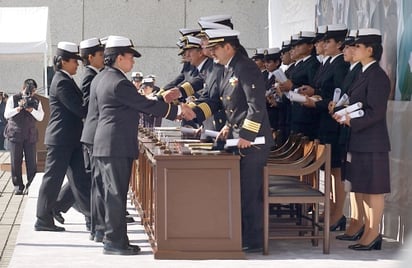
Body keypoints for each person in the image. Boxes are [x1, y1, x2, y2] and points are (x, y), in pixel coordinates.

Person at [92, 35, 188, 255]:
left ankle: (114, 238)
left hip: (106, 143)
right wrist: (176, 112)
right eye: (130, 57)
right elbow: (144, 104)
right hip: (115, 144)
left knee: (112, 194)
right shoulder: (119, 82)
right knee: (116, 194)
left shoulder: (105, 77)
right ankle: (115, 242)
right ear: (118, 58)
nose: (133, 62)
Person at [185, 28, 273, 252]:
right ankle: (241, 234)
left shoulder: (245, 67)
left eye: (214, 48)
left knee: (250, 191)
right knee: (240, 189)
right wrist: (220, 122)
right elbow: (224, 103)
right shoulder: (227, 68)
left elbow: (256, 106)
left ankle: (254, 240)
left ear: (228, 47)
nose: (211, 53)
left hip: (253, 142)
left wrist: (246, 135)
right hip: (237, 137)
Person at [333, 28, 390, 250]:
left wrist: (351, 121)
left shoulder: (377, 75)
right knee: (363, 187)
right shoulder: (363, 73)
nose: (353, 50)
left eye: (357, 46)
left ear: (370, 50)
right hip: (359, 140)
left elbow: (376, 112)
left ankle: (374, 232)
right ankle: (367, 229)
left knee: (374, 189)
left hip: (372, 141)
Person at [35, 41, 91, 232]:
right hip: (61, 139)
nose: (77, 64)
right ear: (63, 62)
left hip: (71, 139)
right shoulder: (61, 81)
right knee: (53, 179)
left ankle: (92, 216)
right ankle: (42, 218)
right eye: (74, 61)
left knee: (81, 178)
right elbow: (80, 108)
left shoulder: (66, 79)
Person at [300, 24, 349, 230]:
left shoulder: (339, 65)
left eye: (327, 41)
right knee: (328, 171)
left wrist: (317, 101)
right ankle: (330, 210)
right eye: (323, 41)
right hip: (321, 122)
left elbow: (338, 96)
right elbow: (323, 89)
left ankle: (338, 214)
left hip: (332, 123)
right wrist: (313, 93)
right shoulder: (326, 63)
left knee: (336, 170)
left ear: (339, 44)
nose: (322, 44)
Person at [4, 79, 44, 195]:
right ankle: (18, 186)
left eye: (33, 91)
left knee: (31, 161)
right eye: (30, 91)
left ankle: (31, 184)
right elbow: (7, 114)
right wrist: (19, 108)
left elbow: (41, 117)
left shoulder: (36, 101)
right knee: (15, 160)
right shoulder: (13, 98)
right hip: (15, 133)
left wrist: (31, 110)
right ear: (24, 88)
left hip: (30, 134)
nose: (31, 94)